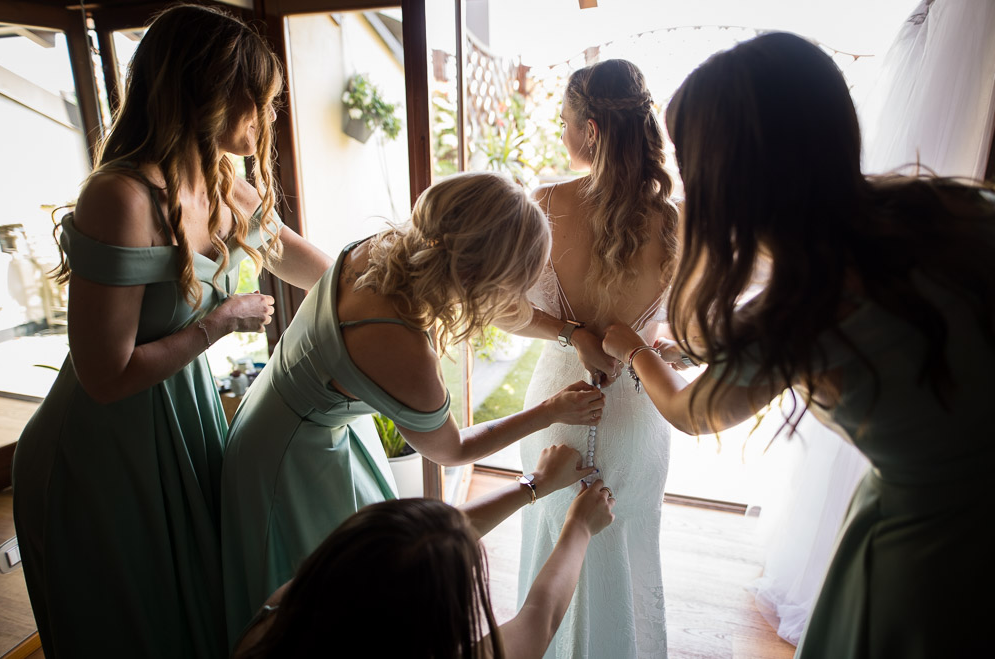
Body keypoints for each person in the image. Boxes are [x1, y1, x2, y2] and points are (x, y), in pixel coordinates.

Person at [603, 32, 995, 659]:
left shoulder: (801, 311)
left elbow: (692, 412)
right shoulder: (957, 208)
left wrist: (635, 349)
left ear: (727, 177)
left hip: (931, 555)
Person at [11, 4, 332, 658]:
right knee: (134, 627)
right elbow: (104, 378)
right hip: (100, 449)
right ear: (210, 93)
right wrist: (221, 321)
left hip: (183, 419)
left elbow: (311, 264)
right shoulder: (121, 197)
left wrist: (387, 289)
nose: (271, 118)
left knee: (201, 608)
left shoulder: (226, 180)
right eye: (260, 102)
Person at [221, 171, 607, 644]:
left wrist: (570, 332)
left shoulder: (389, 249)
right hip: (291, 466)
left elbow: (508, 312)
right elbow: (452, 449)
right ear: (478, 281)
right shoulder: (403, 352)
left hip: (286, 418)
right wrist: (550, 410)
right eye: (513, 287)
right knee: (334, 624)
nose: (517, 299)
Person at [504, 58, 679, 658]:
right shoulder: (674, 221)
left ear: (591, 131)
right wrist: (646, 344)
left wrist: (569, 333)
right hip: (638, 414)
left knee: (557, 541)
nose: (561, 133)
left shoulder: (547, 202)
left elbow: (506, 311)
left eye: (566, 120)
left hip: (558, 410)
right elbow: (696, 333)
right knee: (626, 553)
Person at [233, 445, 615, 658]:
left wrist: (533, 485)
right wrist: (580, 526)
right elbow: (539, 619)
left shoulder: (280, 616)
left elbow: (422, 539)